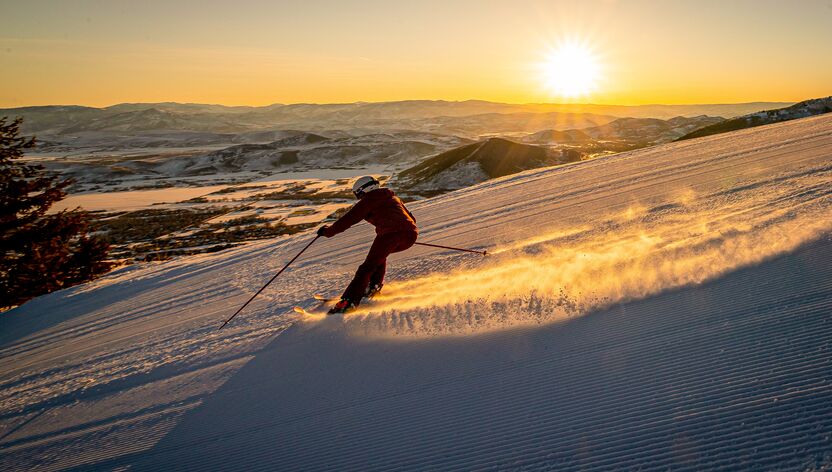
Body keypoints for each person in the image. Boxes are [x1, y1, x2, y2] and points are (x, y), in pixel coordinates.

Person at [317, 176, 418, 314]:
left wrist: (327, 232)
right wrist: (403, 231)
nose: (358, 197)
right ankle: (372, 287)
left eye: (358, 194)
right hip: (410, 235)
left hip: (390, 235)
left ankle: (349, 302)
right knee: (378, 259)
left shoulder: (369, 200)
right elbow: (412, 219)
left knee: (366, 268)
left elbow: (348, 219)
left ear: (363, 190)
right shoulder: (392, 197)